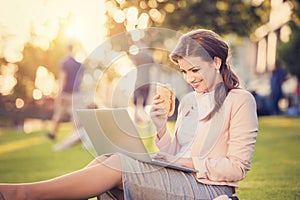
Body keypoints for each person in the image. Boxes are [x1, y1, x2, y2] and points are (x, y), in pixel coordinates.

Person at [0, 29, 258, 200]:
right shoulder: (190, 101)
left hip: (210, 190)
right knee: (108, 161)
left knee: (117, 167)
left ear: (216, 62)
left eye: (195, 70)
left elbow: (236, 169)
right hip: (181, 178)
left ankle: (22, 194)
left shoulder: (240, 100)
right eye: (184, 72)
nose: (190, 78)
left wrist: (187, 164)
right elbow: (178, 152)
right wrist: (159, 128)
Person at [46, 44, 83, 140]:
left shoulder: (64, 62)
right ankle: (74, 136)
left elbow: (63, 78)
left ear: (67, 50)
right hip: (76, 94)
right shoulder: (79, 65)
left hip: (66, 94)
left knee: (58, 113)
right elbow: (80, 80)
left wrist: (60, 93)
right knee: (74, 116)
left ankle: (52, 133)